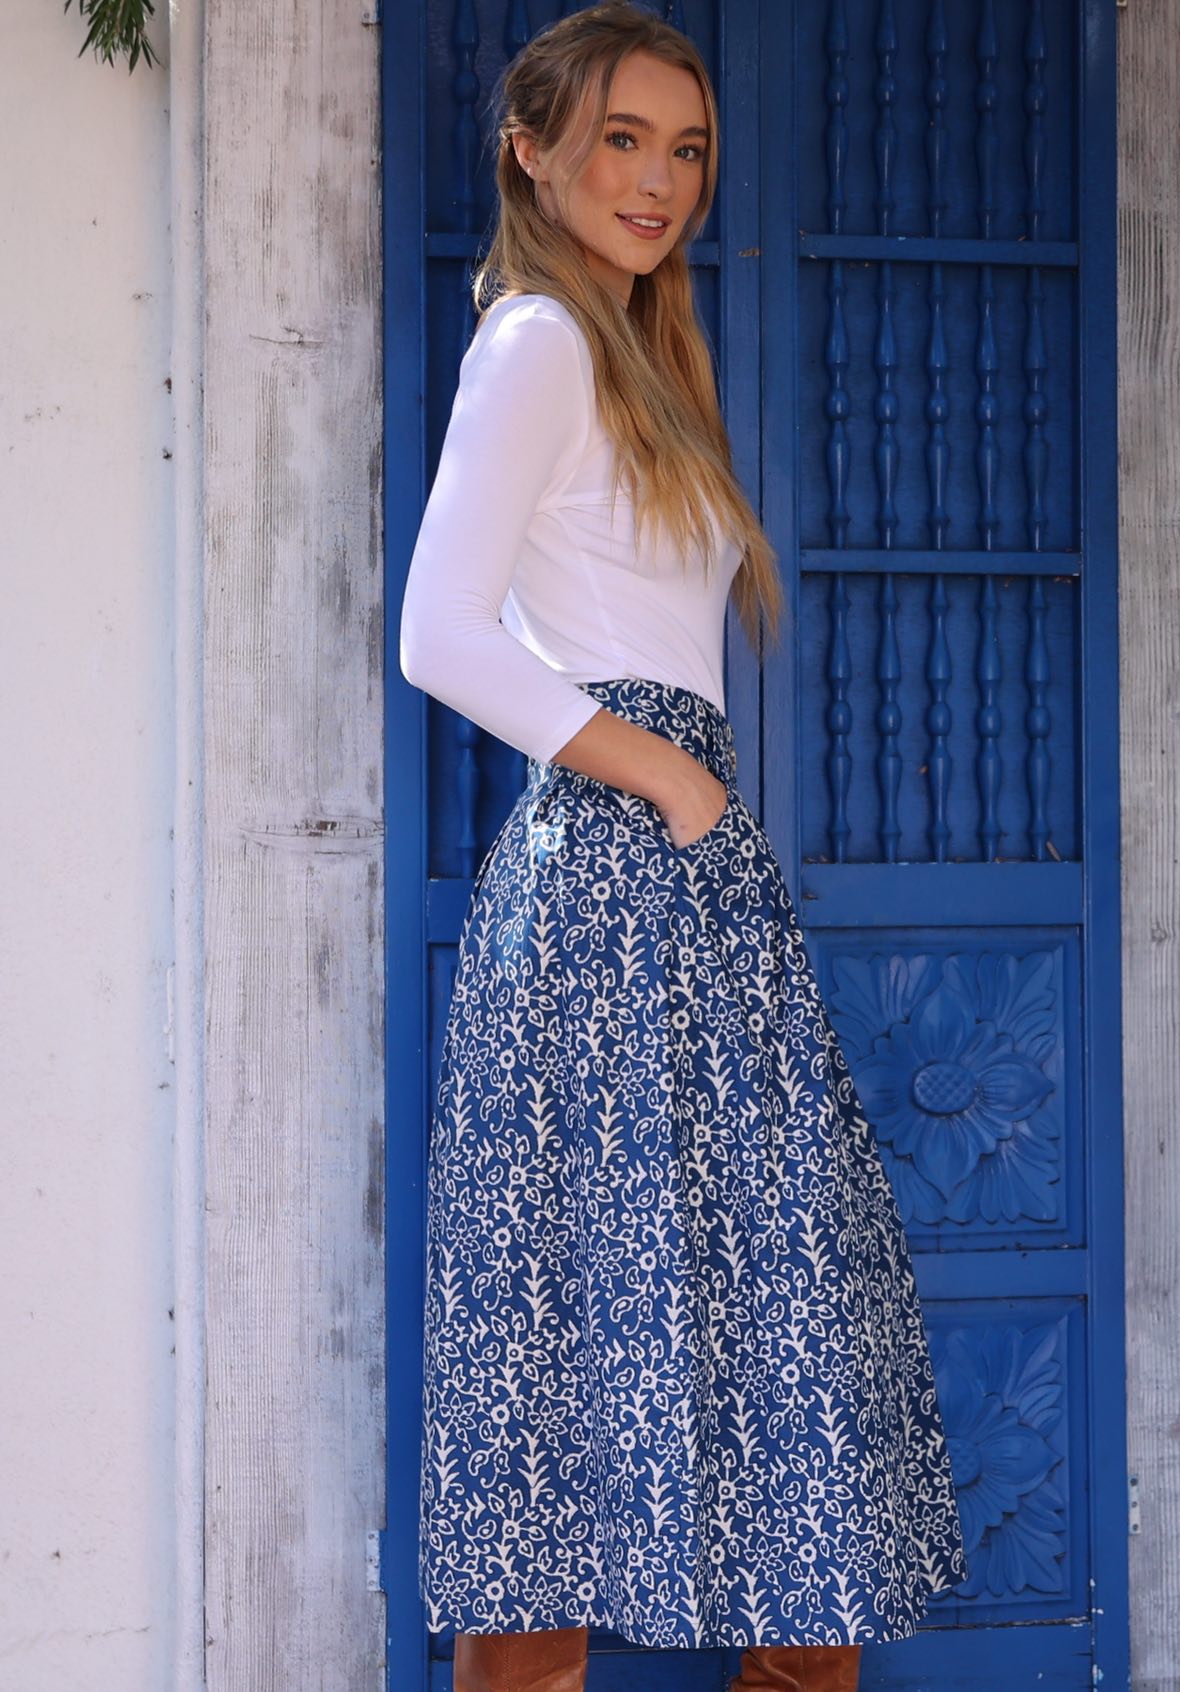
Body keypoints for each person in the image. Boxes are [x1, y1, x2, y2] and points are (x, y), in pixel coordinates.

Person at [398, 6, 969, 1690]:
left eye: (688, 147)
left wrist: (688, 807)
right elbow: (440, 635)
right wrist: (668, 777)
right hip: (611, 877)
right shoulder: (540, 346)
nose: (659, 180)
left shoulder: (637, 351)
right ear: (536, 150)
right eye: (625, 139)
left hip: (684, 883)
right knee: (577, 1361)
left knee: (780, 1342)